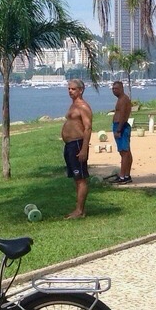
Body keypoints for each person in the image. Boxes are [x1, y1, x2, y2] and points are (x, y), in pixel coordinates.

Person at [61, 79, 93, 218]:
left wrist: (84, 149)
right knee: (76, 178)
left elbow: (88, 128)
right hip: (70, 145)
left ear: (81, 90)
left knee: (81, 178)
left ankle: (80, 211)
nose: (70, 91)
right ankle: (79, 209)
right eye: (69, 88)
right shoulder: (73, 105)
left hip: (78, 145)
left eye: (73, 89)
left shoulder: (83, 106)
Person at [110, 81, 134, 183]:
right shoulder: (121, 99)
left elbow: (124, 115)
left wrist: (119, 129)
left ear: (121, 89)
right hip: (119, 126)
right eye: (113, 89)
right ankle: (126, 175)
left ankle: (123, 176)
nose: (114, 90)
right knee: (126, 152)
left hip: (121, 127)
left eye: (116, 88)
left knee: (124, 152)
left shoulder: (124, 99)